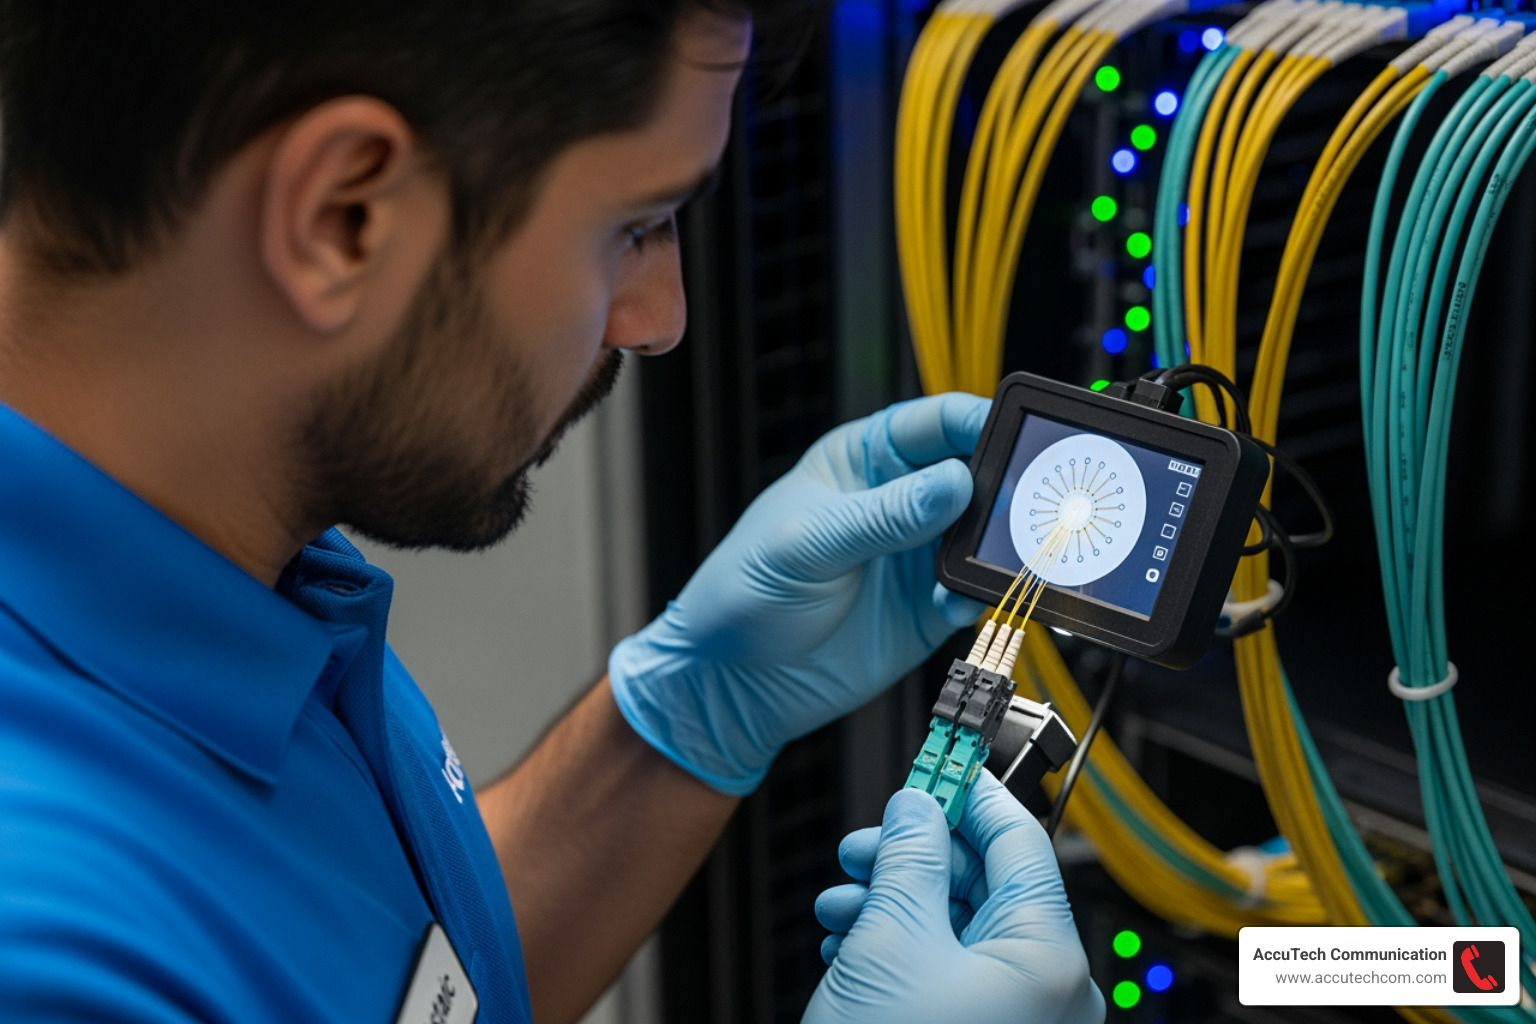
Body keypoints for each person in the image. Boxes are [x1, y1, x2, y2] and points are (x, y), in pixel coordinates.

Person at [0, 2, 1104, 1023]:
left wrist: (684, 717)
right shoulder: (52, 959)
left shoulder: (235, 545)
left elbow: (366, 982)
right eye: (638, 223)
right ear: (344, 214)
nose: (658, 318)